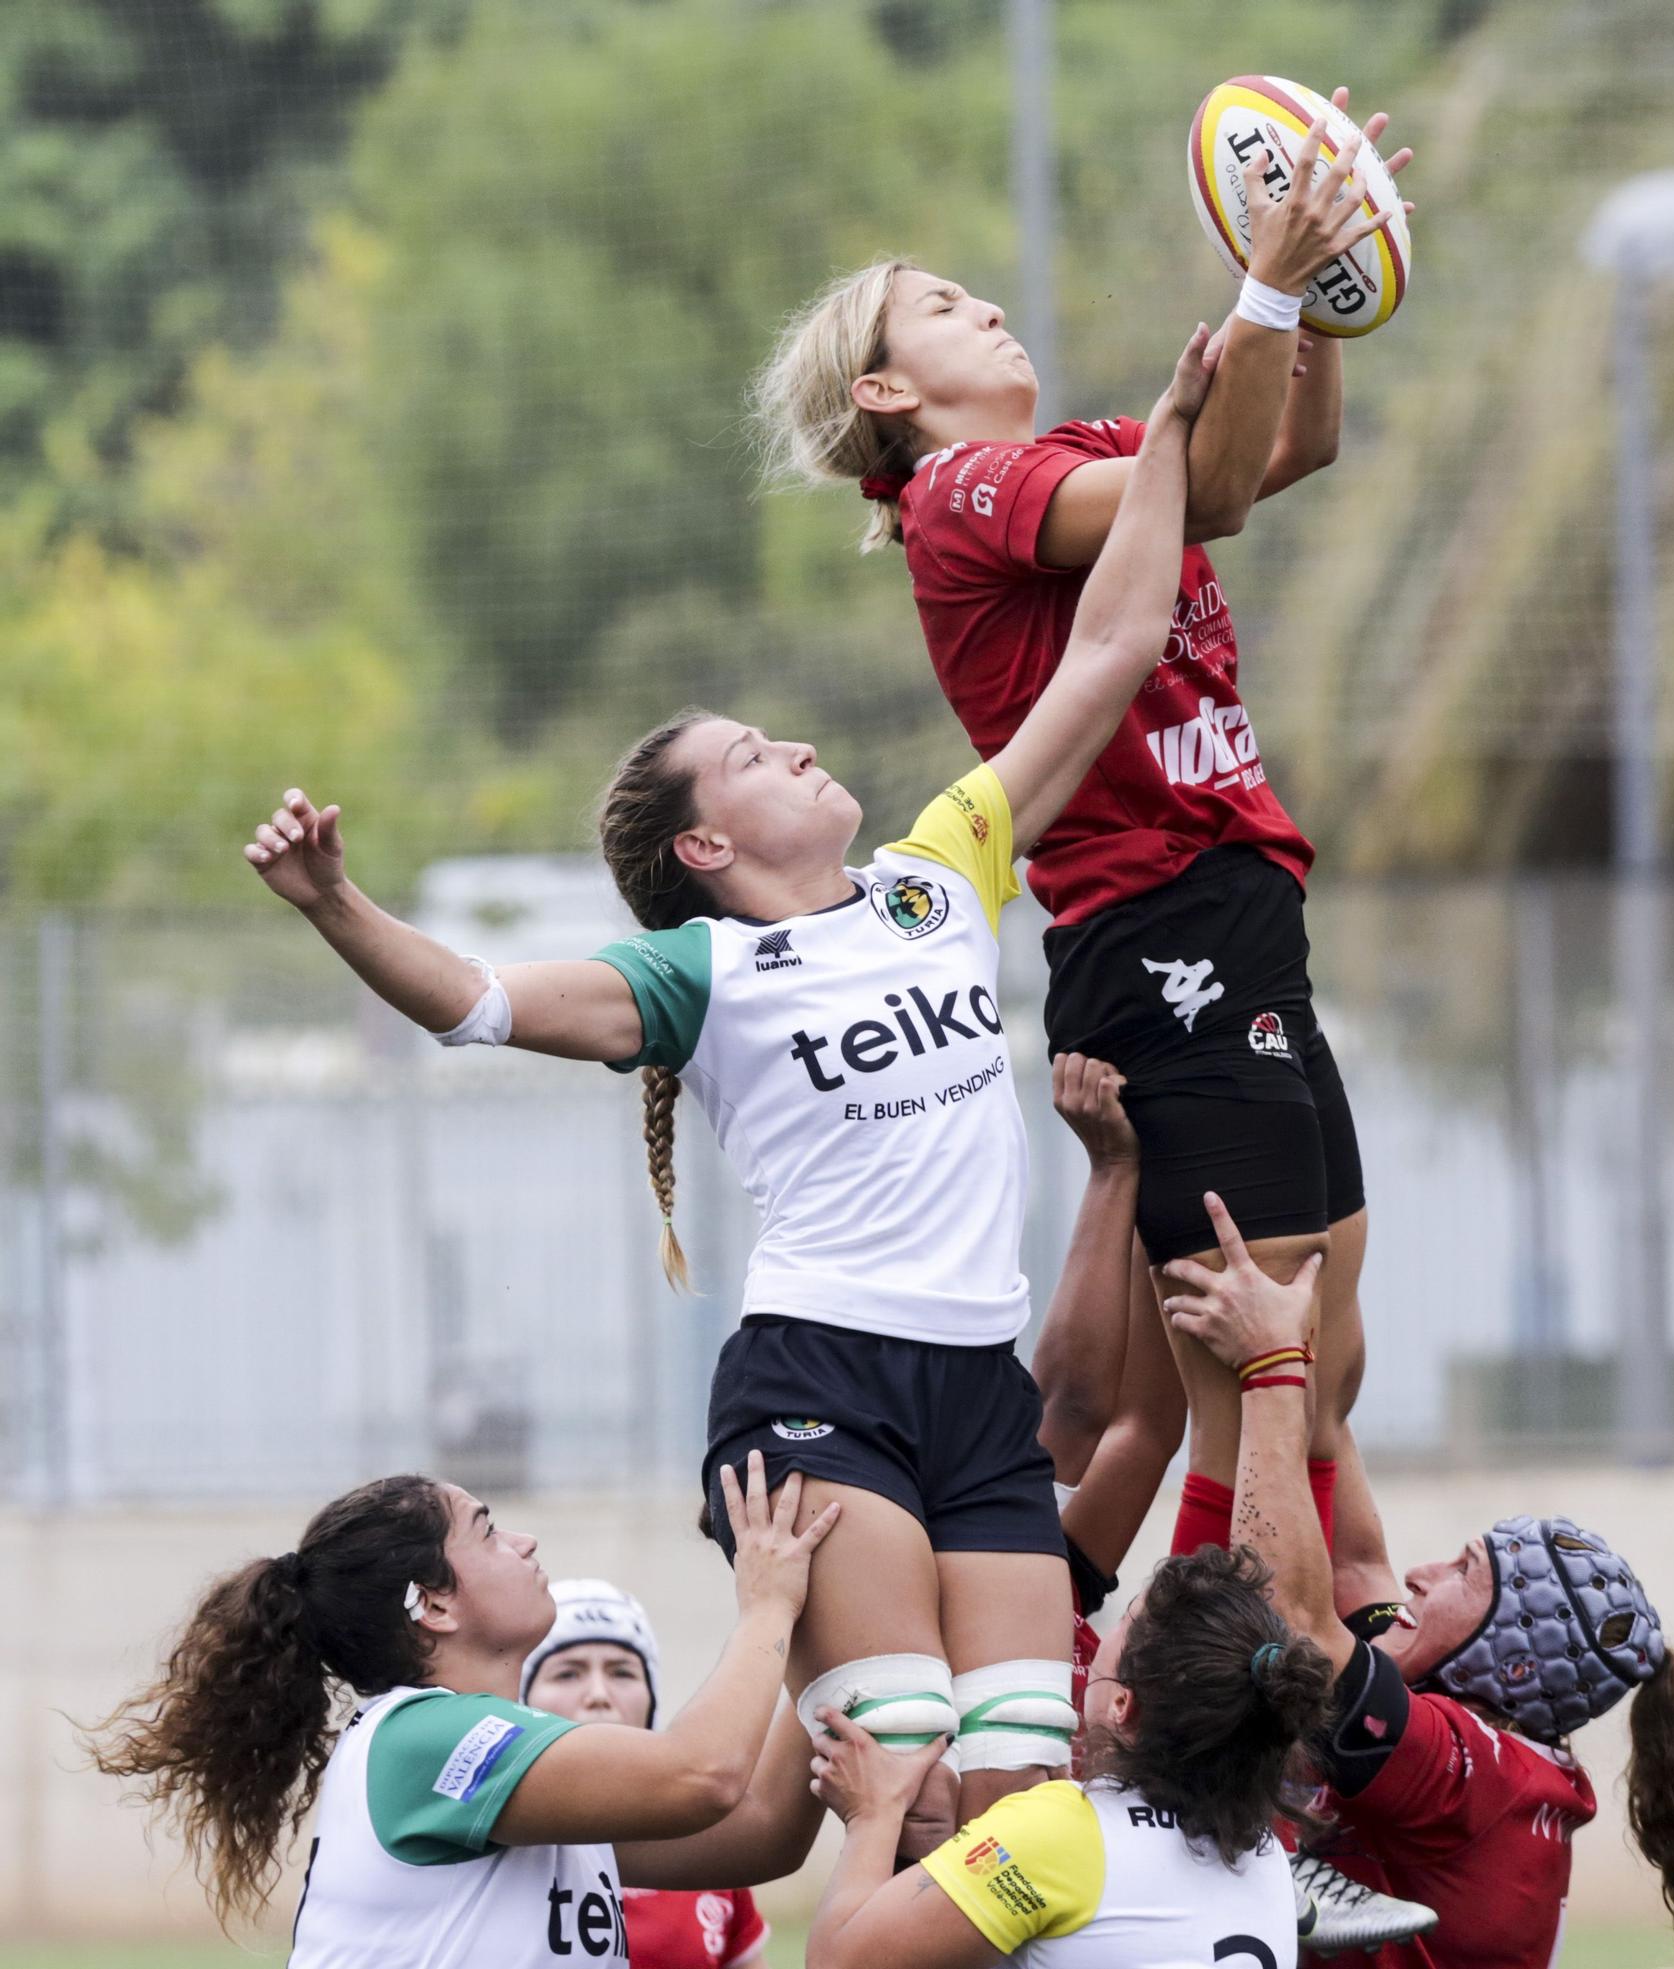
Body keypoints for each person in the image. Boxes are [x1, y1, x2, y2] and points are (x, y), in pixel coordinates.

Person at [242, 327, 1218, 1841]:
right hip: (819, 1390)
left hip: (978, 1392)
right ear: (706, 849)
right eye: (757, 756)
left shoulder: (935, 873)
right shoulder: (703, 976)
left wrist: (1168, 428)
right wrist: (333, 904)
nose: (801, 747)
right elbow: (482, 1004)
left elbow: (1112, 648)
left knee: (1033, 1821)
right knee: (915, 1802)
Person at [754, 87, 1414, 1618]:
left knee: (1322, 1367)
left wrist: (1312, 283)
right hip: (1161, 929)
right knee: (1265, 1375)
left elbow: (1266, 460)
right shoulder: (963, 493)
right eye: (939, 308)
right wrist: (1260, 282)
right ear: (887, 388)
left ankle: (1297, 1673)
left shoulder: (1088, 449)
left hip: (1241, 915)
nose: (983, 304)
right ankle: (1268, 1699)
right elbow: (1196, 480)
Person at [1162, 1193, 1674, 1969]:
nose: (1423, 1574)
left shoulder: (1473, 1771)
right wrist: (1314, 1300)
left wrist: (1269, 1365)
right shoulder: (1496, 1733)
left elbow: (1295, 1622)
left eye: (1466, 1569)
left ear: (1518, 1655)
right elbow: (1356, 1562)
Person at [87, 1458, 835, 1962]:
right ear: (434, 1601)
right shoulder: (424, 1736)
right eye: (487, 1529)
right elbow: (703, 1774)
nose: (524, 1539)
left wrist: (833, 1641)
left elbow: (760, 1833)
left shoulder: (502, 1764)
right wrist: (769, 1603)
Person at [1030, 1057, 1435, 1955]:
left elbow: (1119, 1423)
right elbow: (1126, 1425)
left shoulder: (1022, 1595)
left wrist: (1134, 1179)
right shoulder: (1077, 1638)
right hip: (1161, 1837)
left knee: (1296, 1423)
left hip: (1143, 1832)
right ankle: (1274, 1851)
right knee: (1305, 1422)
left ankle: (1275, 1848)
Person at [802, 1543, 1329, 1969]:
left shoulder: (1062, 1831)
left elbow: (837, 1961)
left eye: (1124, 1623)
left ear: (1124, 1704)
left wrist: (872, 1814)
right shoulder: (1264, 1857)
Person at [522, 1579, 770, 1969]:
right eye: (568, 1674)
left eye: (622, 1672)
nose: (599, 1694)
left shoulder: (705, 1845)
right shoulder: (490, 1848)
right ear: (522, 1701)